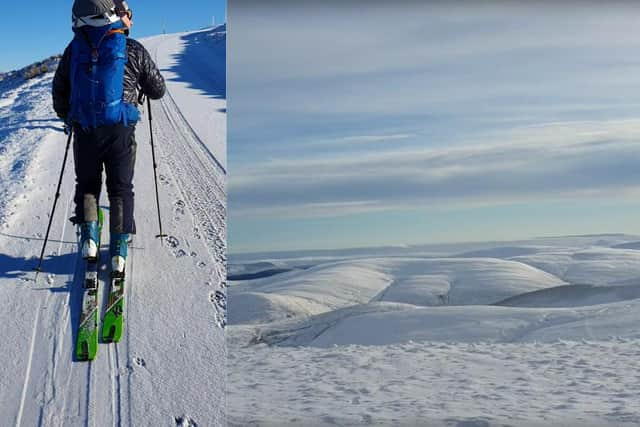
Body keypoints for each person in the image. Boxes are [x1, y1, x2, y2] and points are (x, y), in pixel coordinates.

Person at [52, 0, 165, 273]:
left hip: (86, 129)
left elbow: (59, 90)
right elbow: (158, 89)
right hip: (120, 130)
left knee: (88, 184)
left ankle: (89, 240)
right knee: (120, 188)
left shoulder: (74, 48)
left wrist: (69, 116)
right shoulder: (133, 48)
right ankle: (118, 252)